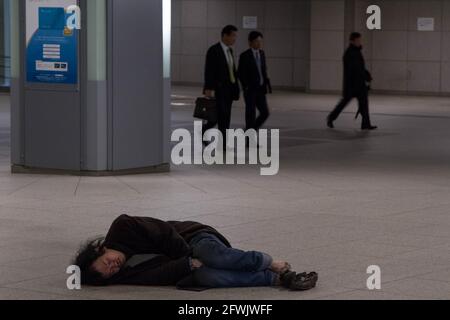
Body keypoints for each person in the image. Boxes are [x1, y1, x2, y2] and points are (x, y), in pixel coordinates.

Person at [73, 214, 318, 291]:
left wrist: (187, 256)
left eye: (106, 263)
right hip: (189, 260)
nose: (113, 266)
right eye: (109, 273)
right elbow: (157, 276)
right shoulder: (125, 273)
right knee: (207, 278)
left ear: (100, 250)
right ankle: (277, 279)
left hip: (193, 238)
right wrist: (188, 266)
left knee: (215, 257)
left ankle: (271, 262)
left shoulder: (123, 226)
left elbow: (164, 232)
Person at [327, 32, 377, 130]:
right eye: (357, 40)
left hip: (359, 84)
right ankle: (331, 118)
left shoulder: (357, 52)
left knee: (364, 104)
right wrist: (365, 76)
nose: (359, 42)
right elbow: (355, 69)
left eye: (360, 40)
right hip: (351, 84)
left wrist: (366, 75)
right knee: (343, 103)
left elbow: (361, 67)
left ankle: (365, 124)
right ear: (352, 41)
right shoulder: (349, 53)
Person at [203, 25, 241, 150]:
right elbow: (209, 70)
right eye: (233, 36)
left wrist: (236, 87)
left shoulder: (229, 51)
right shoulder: (214, 50)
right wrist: (208, 88)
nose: (234, 39)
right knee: (217, 116)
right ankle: (204, 131)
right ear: (225, 35)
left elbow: (232, 70)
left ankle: (223, 144)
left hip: (229, 90)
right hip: (218, 89)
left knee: (226, 116)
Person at [238, 31, 271, 135]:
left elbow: (263, 69)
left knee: (265, 113)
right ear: (250, 42)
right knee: (250, 115)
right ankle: (249, 138)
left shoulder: (262, 53)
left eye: (260, 41)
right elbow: (240, 73)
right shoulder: (244, 55)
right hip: (250, 90)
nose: (259, 43)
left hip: (261, 89)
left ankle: (250, 130)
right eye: (257, 41)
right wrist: (246, 86)